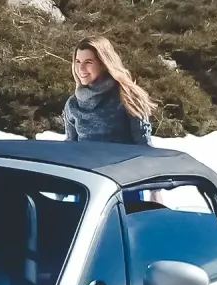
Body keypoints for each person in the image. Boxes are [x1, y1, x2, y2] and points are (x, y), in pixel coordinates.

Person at [62, 35, 161, 205]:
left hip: (124, 187)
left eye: (88, 62)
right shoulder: (73, 104)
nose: (81, 68)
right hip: (87, 187)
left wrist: (155, 190)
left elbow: (144, 146)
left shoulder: (127, 96)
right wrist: (61, 191)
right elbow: (70, 149)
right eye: (78, 62)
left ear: (103, 63)